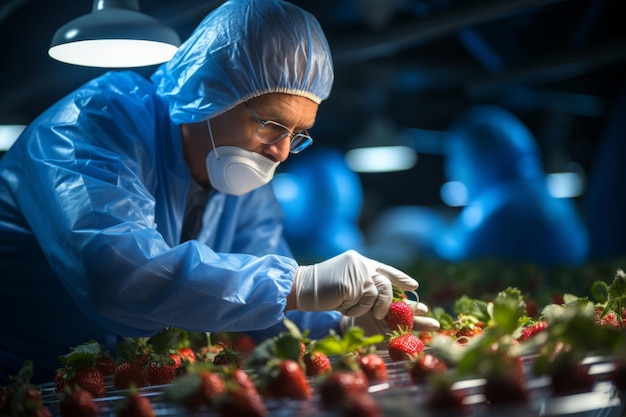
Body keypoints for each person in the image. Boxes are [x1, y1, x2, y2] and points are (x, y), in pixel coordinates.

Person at [0, 0, 438, 384]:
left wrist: (341, 321)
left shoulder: (244, 183)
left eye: (299, 134)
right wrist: (300, 281)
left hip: (121, 383)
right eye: (271, 124)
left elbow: (262, 299)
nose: (283, 151)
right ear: (208, 92)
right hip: (22, 383)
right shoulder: (86, 128)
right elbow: (116, 276)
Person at [435, 105, 588, 267]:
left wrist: (430, 235)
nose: (452, 169)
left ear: (474, 158)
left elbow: (458, 260)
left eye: (458, 159)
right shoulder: (551, 201)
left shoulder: (494, 211)